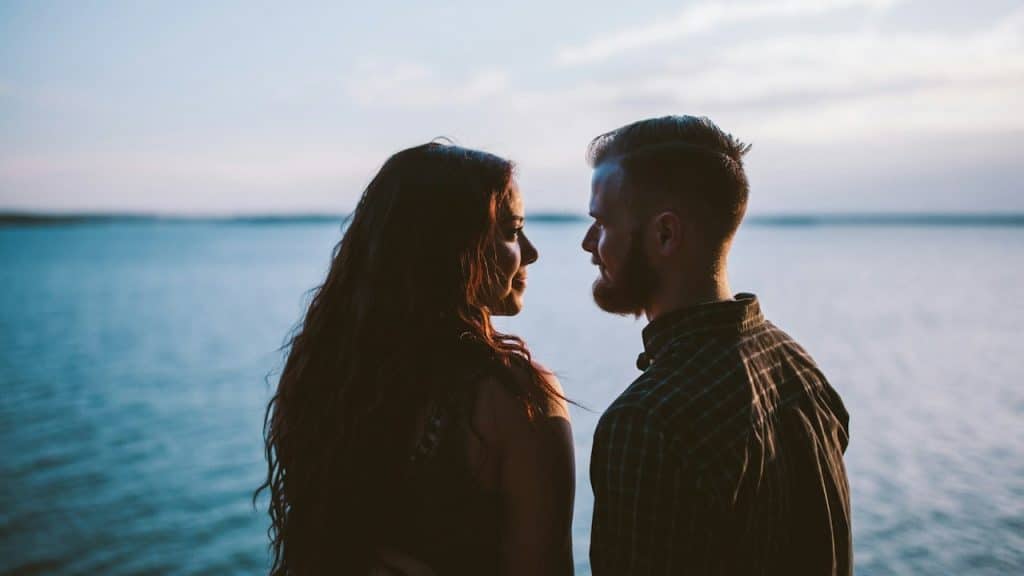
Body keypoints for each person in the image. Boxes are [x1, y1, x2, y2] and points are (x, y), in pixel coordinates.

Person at [258, 142, 575, 575]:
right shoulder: (516, 399)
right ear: (454, 246)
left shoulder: (327, 374)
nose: (531, 253)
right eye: (512, 231)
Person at [581, 116, 852, 575]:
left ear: (665, 235)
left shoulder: (648, 421)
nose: (588, 243)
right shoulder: (798, 366)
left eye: (602, 223)